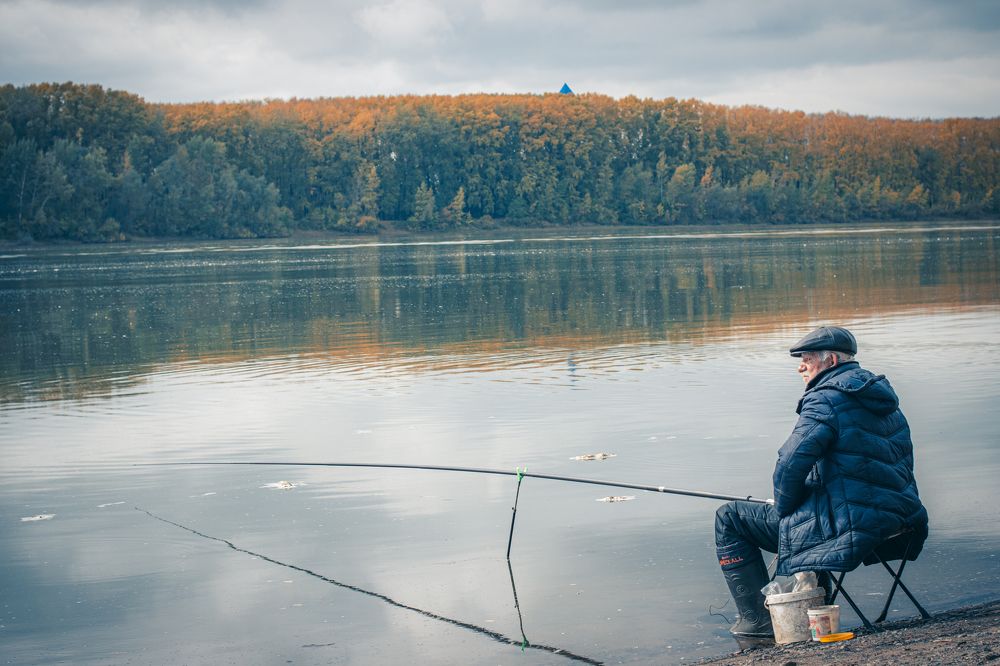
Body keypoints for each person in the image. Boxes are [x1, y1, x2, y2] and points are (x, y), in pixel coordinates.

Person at [713, 326, 929, 648]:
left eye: (807, 359)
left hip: (852, 526)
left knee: (729, 518)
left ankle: (759, 623)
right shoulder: (882, 399)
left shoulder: (825, 399)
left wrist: (784, 508)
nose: (800, 367)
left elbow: (789, 462)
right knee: (810, 510)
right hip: (900, 518)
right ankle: (815, 607)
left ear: (830, 361)